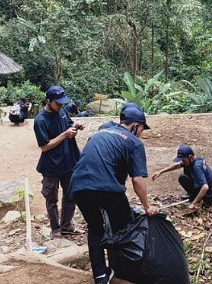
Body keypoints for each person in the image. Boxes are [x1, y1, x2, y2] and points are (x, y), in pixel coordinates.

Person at [70, 102, 159, 284]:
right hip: (106, 188)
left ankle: (101, 275)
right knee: (125, 228)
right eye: (142, 128)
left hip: (78, 185)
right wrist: (147, 207)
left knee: (95, 228)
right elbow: (137, 179)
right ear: (135, 126)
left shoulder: (101, 132)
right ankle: (126, 271)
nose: (141, 133)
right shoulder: (134, 142)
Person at [33, 86, 84, 239]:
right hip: (51, 166)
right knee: (51, 198)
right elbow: (44, 146)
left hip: (68, 162)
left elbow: (68, 123)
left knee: (70, 195)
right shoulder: (40, 121)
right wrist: (64, 135)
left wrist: (75, 127)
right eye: (58, 103)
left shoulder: (62, 111)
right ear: (48, 101)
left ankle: (67, 225)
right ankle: (55, 229)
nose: (61, 105)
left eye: (62, 103)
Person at [152, 144, 212, 210]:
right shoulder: (195, 159)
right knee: (183, 176)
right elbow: (177, 165)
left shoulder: (196, 167)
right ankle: (194, 196)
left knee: (183, 178)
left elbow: (205, 187)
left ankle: (197, 199)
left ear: (190, 157)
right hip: (208, 191)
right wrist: (161, 172)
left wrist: (194, 203)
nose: (182, 162)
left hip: (207, 195)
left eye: (183, 160)